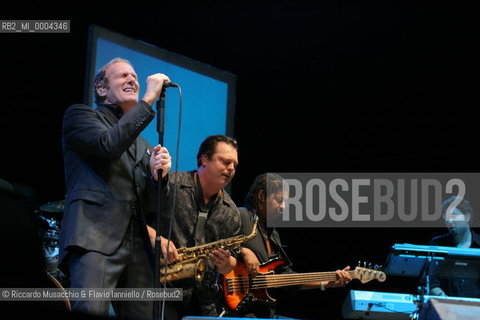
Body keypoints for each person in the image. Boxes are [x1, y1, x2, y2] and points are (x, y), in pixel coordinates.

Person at [59, 57, 173, 319]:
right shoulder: (81, 115)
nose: (132, 80)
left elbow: (151, 205)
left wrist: (159, 179)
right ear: (101, 89)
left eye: (134, 76)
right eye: (123, 76)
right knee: (92, 311)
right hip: (95, 236)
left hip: (136, 245)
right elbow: (107, 145)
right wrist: (147, 101)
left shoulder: (143, 144)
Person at [227, 173, 352, 318]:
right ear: (261, 197)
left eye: (286, 202)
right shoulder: (241, 216)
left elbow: (287, 278)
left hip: (265, 312)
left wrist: (326, 283)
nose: (284, 206)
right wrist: (243, 250)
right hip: (238, 309)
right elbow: (215, 246)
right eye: (279, 200)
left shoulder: (273, 234)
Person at [158, 134, 242, 319]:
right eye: (225, 161)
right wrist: (155, 237)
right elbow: (136, 220)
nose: (230, 169)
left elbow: (231, 263)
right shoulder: (170, 185)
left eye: (234, 165)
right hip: (159, 290)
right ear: (204, 159)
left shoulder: (232, 212)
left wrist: (226, 263)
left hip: (202, 300)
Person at [429, 196, 480, 298]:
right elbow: (432, 281)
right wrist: (445, 299)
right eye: (446, 218)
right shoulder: (437, 244)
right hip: (447, 308)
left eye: (454, 215)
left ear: (467, 217)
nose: (450, 221)